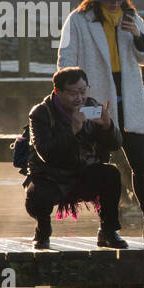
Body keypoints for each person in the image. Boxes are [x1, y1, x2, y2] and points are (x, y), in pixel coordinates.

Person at [57, 0, 144, 245]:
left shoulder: (133, 18)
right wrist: (75, 100)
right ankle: (107, 230)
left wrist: (138, 35)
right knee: (103, 166)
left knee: (142, 165)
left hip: (129, 100)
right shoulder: (78, 20)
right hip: (95, 101)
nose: (114, 1)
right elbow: (66, 60)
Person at [24, 67, 124, 249]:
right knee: (37, 196)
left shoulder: (91, 106)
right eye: (73, 93)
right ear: (57, 91)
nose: (79, 97)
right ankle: (42, 232)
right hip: (51, 176)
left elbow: (115, 145)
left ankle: (108, 231)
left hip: (83, 173)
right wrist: (73, 129)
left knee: (111, 174)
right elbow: (46, 153)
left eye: (83, 91)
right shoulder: (40, 113)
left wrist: (107, 126)